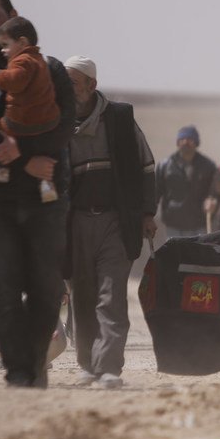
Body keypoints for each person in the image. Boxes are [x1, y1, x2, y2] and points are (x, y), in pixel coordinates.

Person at [0, 0, 75, 388]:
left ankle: (34, 359)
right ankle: (20, 373)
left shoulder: (50, 69)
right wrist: (24, 156)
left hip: (45, 198)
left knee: (45, 290)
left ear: (13, 18)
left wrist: (23, 150)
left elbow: (64, 126)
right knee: (4, 291)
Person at [62, 55, 157, 389]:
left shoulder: (119, 120)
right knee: (82, 296)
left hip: (116, 222)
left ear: (91, 85)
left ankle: (110, 367)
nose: (67, 89)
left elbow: (146, 166)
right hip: (75, 223)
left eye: (73, 82)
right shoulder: (58, 122)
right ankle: (87, 363)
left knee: (111, 295)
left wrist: (147, 213)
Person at [0, 16, 60, 201]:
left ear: (22, 42)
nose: (2, 50)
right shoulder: (39, 60)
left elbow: (16, 81)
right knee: (40, 154)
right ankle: (46, 185)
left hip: (23, 119)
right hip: (47, 120)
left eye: (5, 45)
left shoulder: (23, 60)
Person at [155, 125, 220, 237]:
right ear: (178, 143)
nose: (186, 142)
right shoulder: (165, 166)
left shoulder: (208, 165)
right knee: (176, 254)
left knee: (196, 254)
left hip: (199, 224)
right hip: (173, 224)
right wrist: (148, 216)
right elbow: (155, 192)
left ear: (196, 143)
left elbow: (217, 186)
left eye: (190, 139)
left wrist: (213, 199)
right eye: (182, 139)